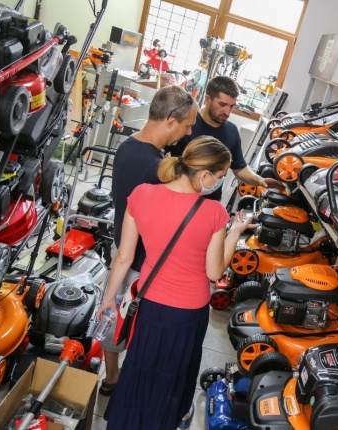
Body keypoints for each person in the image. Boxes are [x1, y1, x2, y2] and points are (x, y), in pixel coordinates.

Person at [99, 136, 254, 430]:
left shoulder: (141, 194)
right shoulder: (214, 213)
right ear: (205, 175)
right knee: (174, 370)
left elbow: (124, 257)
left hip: (149, 304)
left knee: (140, 366)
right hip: (188, 313)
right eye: (220, 176)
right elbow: (214, 272)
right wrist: (234, 232)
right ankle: (167, 420)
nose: (219, 183)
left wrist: (108, 300)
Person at [98, 85, 198, 397]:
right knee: (137, 328)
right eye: (187, 125)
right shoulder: (158, 170)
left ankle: (111, 378)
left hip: (121, 249)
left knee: (113, 317)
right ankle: (132, 388)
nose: (188, 131)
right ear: (171, 121)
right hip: (142, 263)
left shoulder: (128, 147)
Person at [169, 75, 284, 201]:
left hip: (210, 203)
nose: (227, 112)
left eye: (231, 106)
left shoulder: (232, 131)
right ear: (208, 99)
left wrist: (259, 180)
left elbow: (239, 167)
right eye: (222, 104)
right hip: (178, 199)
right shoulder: (187, 125)